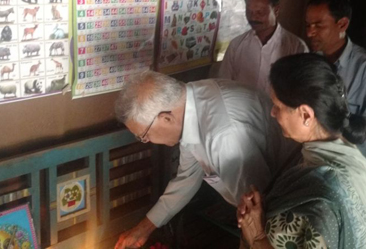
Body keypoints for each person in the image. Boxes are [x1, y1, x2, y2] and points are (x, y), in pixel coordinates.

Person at [113, 72, 296, 249]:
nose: (147, 141)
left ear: (166, 119)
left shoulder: (223, 136)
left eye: (144, 135)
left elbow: (255, 209)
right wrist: (143, 230)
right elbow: (187, 178)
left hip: (284, 207)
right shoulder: (188, 103)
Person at [237, 53, 366, 249]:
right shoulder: (357, 165)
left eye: (277, 106)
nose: (272, 113)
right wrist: (266, 209)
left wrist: (257, 236)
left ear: (306, 115)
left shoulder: (325, 197)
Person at [304, 0, 366, 169]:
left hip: (350, 169)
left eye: (318, 25)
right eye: (308, 25)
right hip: (315, 163)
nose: (310, 32)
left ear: (342, 24)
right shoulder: (311, 63)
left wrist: (343, 172)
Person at [219, 0, 307, 92]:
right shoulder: (236, 45)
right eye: (249, 12)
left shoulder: (297, 48)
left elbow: (301, 91)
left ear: (276, 10)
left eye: (260, 12)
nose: (253, 17)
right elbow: (224, 84)